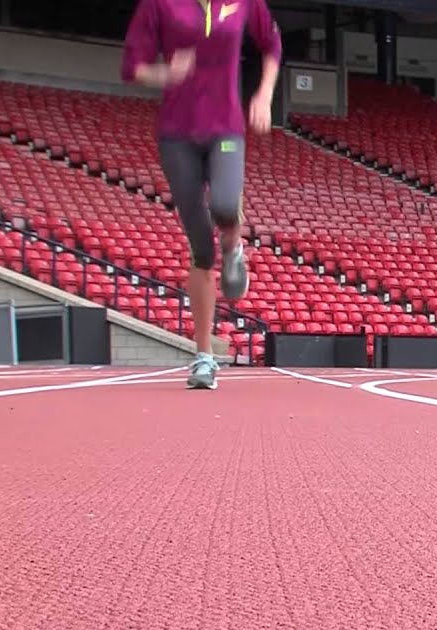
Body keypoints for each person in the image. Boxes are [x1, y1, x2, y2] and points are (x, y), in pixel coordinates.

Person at [120, 0, 282, 389]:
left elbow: (272, 44)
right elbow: (132, 68)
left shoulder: (244, 3)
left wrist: (264, 95)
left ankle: (235, 248)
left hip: (226, 128)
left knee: (225, 205)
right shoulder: (159, 5)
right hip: (177, 135)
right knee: (200, 249)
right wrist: (164, 73)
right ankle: (204, 356)